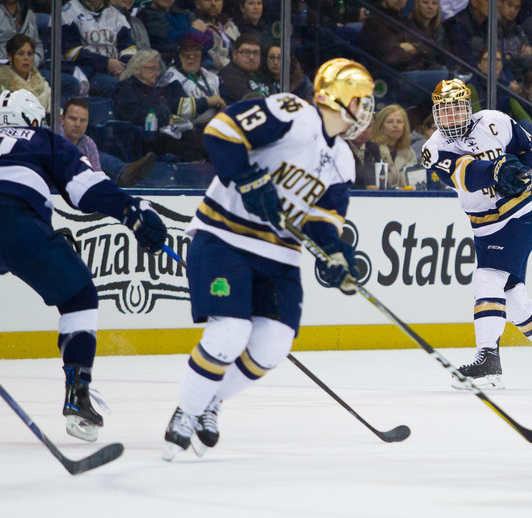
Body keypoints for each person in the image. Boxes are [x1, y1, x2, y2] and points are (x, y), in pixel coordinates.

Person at [161, 58, 376, 460]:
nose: (366, 111)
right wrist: (248, 179)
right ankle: (186, 412)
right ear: (341, 98)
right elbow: (222, 129)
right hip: (224, 237)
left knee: (273, 345)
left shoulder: (344, 159)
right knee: (229, 332)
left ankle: (210, 400)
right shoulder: (293, 114)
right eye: (362, 100)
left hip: (279, 254)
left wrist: (335, 255)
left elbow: (323, 219)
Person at [0, 90, 166, 442]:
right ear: (35, 119)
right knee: (79, 296)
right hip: (18, 225)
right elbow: (86, 188)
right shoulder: (44, 139)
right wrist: (131, 212)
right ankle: (77, 397)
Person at [420, 78, 532, 389]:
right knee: (513, 301)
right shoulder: (433, 149)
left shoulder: (494, 120)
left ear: (468, 108)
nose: (450, 116)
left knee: (487, 279)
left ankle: (488, 362)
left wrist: (522, 172)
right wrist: (498, 171)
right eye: (443, 111)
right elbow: (466, 175)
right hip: (486, 227)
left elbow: (530, 148)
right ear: (435, 114)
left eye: (456, 109)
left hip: (518, 216)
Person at [59, 98, 157, 187]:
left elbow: (96, 175)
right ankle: (122, 172)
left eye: (83, 120)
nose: (77, 124)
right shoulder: (53, 139)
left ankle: (125, 175)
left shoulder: (88, 143)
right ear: (62, 119)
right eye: (73, 119)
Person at [62, 0, 138, 97]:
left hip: (115, 70)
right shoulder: (69, 11)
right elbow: (71, 52)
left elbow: (129, 48)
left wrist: (122, 68)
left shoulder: (116, 15)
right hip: (86, 71)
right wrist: (106, 63)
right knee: (112, 86)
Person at [160, 32, 226, 125]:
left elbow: (228, 102)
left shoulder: (213, 77)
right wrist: (208, 102)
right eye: (186, 52)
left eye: (196, 51)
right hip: (189, 130)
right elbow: (178, 108)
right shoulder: (171, 78)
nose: (191, 57)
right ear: (178, 55)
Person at [361, 104, 416, 189]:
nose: (395, 125)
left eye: (399, 122)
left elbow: (413, 183)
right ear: (381, 126)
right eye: (390, 122)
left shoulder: (409, 153)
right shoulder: (371, 149)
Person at [0, 34, 50, 114]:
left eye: (30, 54)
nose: (26, 58)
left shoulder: (43, 85)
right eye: (21, 53)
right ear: (10, 57)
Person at [218, 33, 269, 103]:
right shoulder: (230, 76)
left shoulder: (261, 75)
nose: (251, 57)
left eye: (255, 53)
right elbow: (248, 103)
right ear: (234, 54)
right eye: (246, 52)